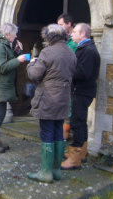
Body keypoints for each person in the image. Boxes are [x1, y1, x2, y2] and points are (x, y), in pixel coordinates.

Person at [26, 24, 76, 183]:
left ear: (49, 37)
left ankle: (46, 173)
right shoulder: (70, 52)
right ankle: (55, 170)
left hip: (48, 97)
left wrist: (31, 63)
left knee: (47, 131)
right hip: (63, 98)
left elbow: (34, 74)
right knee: (58, 132)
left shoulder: (47, 52)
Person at [61, 23, 100, 170]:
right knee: (80, 122)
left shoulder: (88, 50)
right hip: (81, 91)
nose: (72, 34)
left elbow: (83, 73)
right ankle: (81, 153)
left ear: (83, 34)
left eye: (75, 32)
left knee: (77, 123)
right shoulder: (85, 48)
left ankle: (74, 159)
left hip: (81, 91)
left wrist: (67, 69)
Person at [0, 23, 26, 153]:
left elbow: (5, 60)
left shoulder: (4, 46)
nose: (16, 36)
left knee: (0, 114)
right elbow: (0, 67)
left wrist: (16, 52)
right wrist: (18, 60)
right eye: (14, 34)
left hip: (1, 85)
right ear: (8, 35)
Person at [57, 13, 78, 141]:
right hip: (61, 82)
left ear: (69, 24)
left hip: (71, 82)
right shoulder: (62, 39)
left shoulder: (75, 43)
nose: (58, 27)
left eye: (61, 24)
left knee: (68, 112)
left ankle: (63, 144)